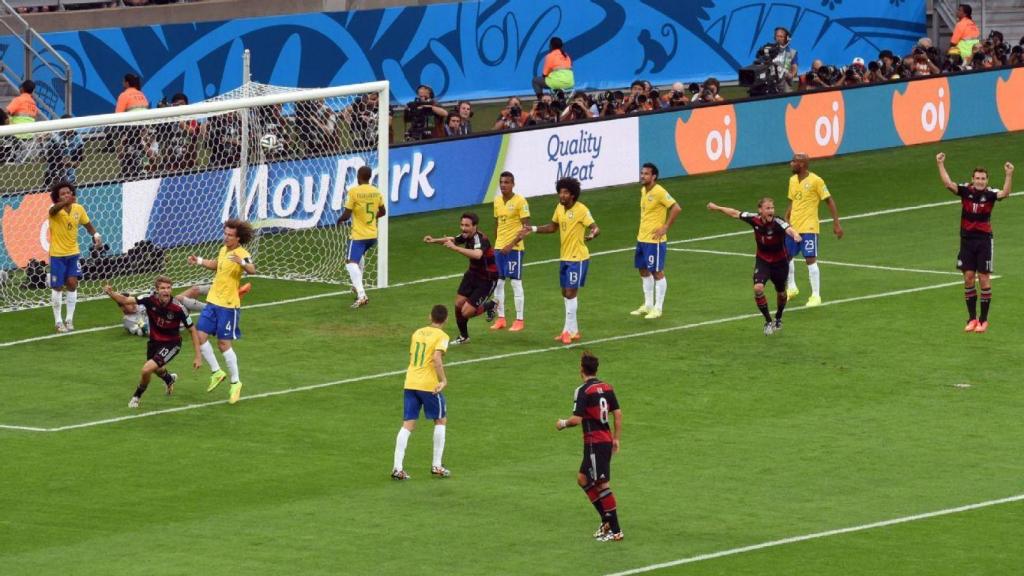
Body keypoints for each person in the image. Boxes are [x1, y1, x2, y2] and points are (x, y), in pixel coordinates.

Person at [935, 153, 1014, 333]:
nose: (980, 181)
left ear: (987, 180)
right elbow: (948, 184)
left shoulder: (991, 194)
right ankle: (971, 319)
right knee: (969, 278)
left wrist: (1009, 175)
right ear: (972, 179)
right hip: (967, 241)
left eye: (983, 179)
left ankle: (983, 320)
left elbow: (1006, 193)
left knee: (984, 279)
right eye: (977, 178)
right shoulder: (966, 191)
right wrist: (940, 164)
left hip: (984, 242)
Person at [516, 177, 600, 344]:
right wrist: (532, 229)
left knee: (570, 293)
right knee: (565, 293)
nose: (562, 195)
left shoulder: (581, 210)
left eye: (565, 192)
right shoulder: (559, 209)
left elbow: (595, 227)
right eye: (560, 192)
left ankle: (566, 331)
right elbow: (552, 227)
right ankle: (574, 330)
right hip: (565, 257)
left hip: (579, 258)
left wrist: (592, 234)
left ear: (573, 195)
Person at [102, 277, 202, 408]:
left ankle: (136, 397)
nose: (166, 291)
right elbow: (125, 300)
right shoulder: (149, 300)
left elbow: (193, 330)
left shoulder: (178, 308)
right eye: (162, 288)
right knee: (156, 368)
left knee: (146, 369)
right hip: (154, 342)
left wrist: (198, 356)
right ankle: (169, 379)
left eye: (168, 288)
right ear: (157, 290)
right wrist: (111, 293)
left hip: (172, 343)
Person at [555, 351, 623, 542]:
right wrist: (616, 439)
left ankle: (616, 531)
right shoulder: (607, 388)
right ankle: (606, 520)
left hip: (595, 442)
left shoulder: (583, 391)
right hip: (603, 440)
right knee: (583, 478)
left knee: (602, 484)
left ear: (582, 369)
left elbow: (576, 419)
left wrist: (562, 424)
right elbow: (617, 414)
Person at [187, 219, 256, 404]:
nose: (226, 237)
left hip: (228, 306)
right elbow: (217, 265)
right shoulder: (224, 249)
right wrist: (199, 260)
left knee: (223, 345)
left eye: (230, 235)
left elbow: (252, 269)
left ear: (238, 238)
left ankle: (235, 383)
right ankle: (217, 372)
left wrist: (241, 262)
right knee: (199, 337)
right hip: (212, 302)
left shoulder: (242, 253)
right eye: (225, 234)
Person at [708, 198, 801, 335]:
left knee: (781, 293)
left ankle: (778, 318)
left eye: (772, 208)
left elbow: (789, 229)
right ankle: (768, 321)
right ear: (760, 210)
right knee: (758, 288)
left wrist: (796, 234)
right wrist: (717, 207)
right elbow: (735, 213)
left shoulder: (778, 222)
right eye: (768, 208)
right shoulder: (754, 219)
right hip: (763, 261)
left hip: (780, 262)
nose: (771, 211)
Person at [392, 304, 451, 480]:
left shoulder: (417, 333)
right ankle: (437, 465)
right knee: (440, 420)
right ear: (446, 319)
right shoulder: (443, 336)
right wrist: (443, 380)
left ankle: (397, 467)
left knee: (408, 424)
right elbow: (436, 359)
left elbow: (412, 357)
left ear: (429, 317)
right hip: (429, 385)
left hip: (410, 381)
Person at [423, 213, 498, 345]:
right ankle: (464, 336)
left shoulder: (481, 239)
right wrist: (434, 240)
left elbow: (477, 254)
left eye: (467, 225)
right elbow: (452, 240)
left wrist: (456, 248)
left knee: (466, 313)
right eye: (462, 225)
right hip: (472, 274)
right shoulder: (465, 235)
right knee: (458, 304)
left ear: (475, 226)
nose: (463, 228)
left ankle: (490, 305)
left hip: (487, 279)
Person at [784, 153, 843, 307]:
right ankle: (791, 288)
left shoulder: (816, 181)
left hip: (809, 227)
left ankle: (816, 296)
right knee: (786, 256)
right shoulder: (792, 180)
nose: (791, 164)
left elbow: (829, 200)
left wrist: (836, 223)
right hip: (793, 227)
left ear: (802, 164)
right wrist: (786, 217)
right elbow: (793, 200)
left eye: (794, 161)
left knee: (810, 259)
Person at [47, 181, 103, 333]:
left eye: (68, 192)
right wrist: (63, 203)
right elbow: (52, 212)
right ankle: (58, 321)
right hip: (57, 255)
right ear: (57, 198)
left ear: (72, 193)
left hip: (73, 253)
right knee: (57, 286)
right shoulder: (54, 209)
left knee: (72, 284)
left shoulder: (79, 208)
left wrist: (96, 235)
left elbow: (88, 225)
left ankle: (69, 319)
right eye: (62, 194)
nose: (66, 195)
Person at [630, 163, 681, 319]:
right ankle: (648, 305)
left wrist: (665, 227)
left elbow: (676, 207)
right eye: (642, 173)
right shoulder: (644, 190)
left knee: (657, 272)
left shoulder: (659, 191)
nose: (642, 176)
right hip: (642, 238)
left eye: (646, 174)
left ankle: (658, 308)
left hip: (654, 240)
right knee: (643, 270)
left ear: (654, 177)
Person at [114, 283, 252, 336]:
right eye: (127, 304)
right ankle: (219, 309)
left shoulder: (140, 302)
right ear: (121, 307)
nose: (132, 305)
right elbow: (145, 331)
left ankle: (229, 292)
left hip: (170, 309)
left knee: (194, 289)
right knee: (180, 299)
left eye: (131, 302)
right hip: (170, 323)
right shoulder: (128, 320)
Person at [339, 165, 385, 308]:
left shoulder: (354, 191)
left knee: (350, 263)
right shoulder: (376, 192)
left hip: (359, 235)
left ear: (358, 177)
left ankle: (361, 294)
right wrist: (370, 219)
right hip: (372, 235)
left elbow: (347, 215)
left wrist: (339, 220)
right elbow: (383, 211)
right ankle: (356, 285)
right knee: (359, 257)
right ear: (370, 177)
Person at [491, 171, 531, 332]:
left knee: (515, 282)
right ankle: (501, 318)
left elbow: (526, 228)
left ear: (513, 184)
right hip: (499, 248)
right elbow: (498, 223)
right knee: (498, 283)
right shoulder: (497, 201)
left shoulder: (520, 201)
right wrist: (497, 244)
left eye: (507, 182)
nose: (503, 185)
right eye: (501, 182)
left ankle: (519, 319)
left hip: (515, 249)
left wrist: (512, 243)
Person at [43, 116, 85, 188]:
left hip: (69, 180)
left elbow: (77, 164)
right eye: (65, 125)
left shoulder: (78, 141)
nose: (68, 128)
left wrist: (67, 162)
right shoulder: (56, 137)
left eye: (70, 125)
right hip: (52, 178)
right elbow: (47, 158)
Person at [772, 27, 799, 92]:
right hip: (771, 82)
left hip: (785, 82)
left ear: (786, 39)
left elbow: (794, 65)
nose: (778, 38)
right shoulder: (769, 50)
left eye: (781, 36)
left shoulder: (792, 52)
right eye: (777, 36)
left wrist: (792, 74)